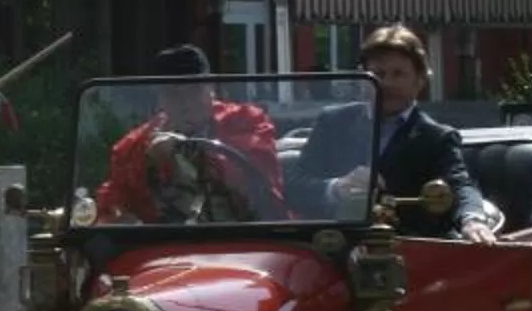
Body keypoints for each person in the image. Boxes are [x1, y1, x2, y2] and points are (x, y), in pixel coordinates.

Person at [286, 26, 499, 240]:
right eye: (378, 74)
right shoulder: (333, 122)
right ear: (363, 78)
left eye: (398, 74)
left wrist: (472, 221)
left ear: (420, 80)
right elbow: (294, 184)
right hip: (332, 245)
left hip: (403, 251)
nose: (387, 83)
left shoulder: (436, 138)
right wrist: (335, 188)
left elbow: (460, 186)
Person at [96, 45, 289, 222]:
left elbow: (256, 178)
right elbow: (112, 202)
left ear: (211, 87)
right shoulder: (135, 145)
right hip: (169, 247)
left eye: (194, 91)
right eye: (173, 94)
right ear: (160, 98)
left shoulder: (247, 120)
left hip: (248, 235)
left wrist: (190, 152)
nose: (186, 102)